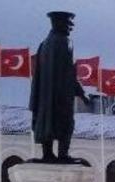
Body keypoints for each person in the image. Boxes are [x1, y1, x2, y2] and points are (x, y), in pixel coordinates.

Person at [29, 11, 90, 163]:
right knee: (66, 123)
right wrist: (82, 93)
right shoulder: (65, 42)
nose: (71, 28)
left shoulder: (44, 44)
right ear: (59, 24)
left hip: (45, 98)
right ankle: (63, 154)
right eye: (69, 25)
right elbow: (70, 72)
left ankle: (47, 154)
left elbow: (38, 74)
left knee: (47, 122)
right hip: (61, 96)